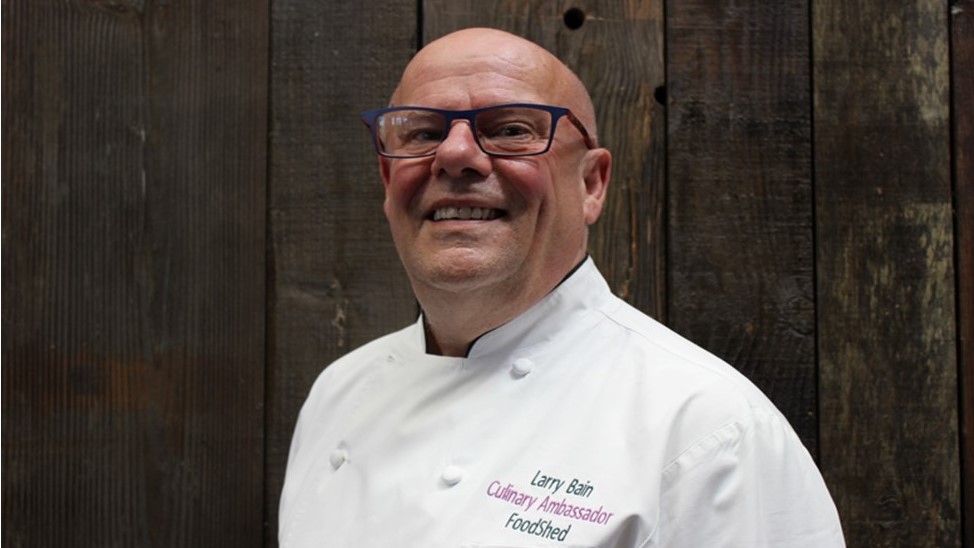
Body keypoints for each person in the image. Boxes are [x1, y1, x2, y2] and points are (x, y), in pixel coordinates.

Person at [278, 27, 844, 547]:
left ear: (591, 183)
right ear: (387, 179)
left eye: (511, 130)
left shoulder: (708, 431)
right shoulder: (340, 392)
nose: (454, 156)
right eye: (423, 133)